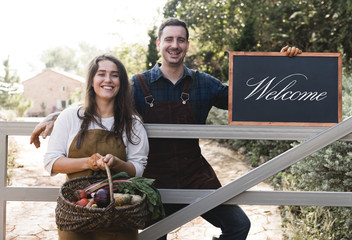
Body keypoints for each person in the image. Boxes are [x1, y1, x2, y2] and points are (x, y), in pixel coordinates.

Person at [31, 18, 302, 240]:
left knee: (238, 225)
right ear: (159, 43)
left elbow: (246, 98)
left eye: (181, 40)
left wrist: (280, 66)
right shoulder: (136, 85)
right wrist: (54, 117)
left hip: (195, 173)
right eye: (169, 39)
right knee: (153, 237)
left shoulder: (205, 83)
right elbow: (100, 99)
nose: (175, 45)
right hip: (154, 179)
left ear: (187, 45)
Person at [43, 54, 149, 240]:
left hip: (118, 213)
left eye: (115, 75)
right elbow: (52, 163)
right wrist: (89, 163)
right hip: (76, 211)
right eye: (101, 74)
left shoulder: (133, 123)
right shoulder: (70, 117)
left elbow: (138, 169)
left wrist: (118, 164)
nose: (108, 80)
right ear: (91, 80)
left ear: (121, 83)